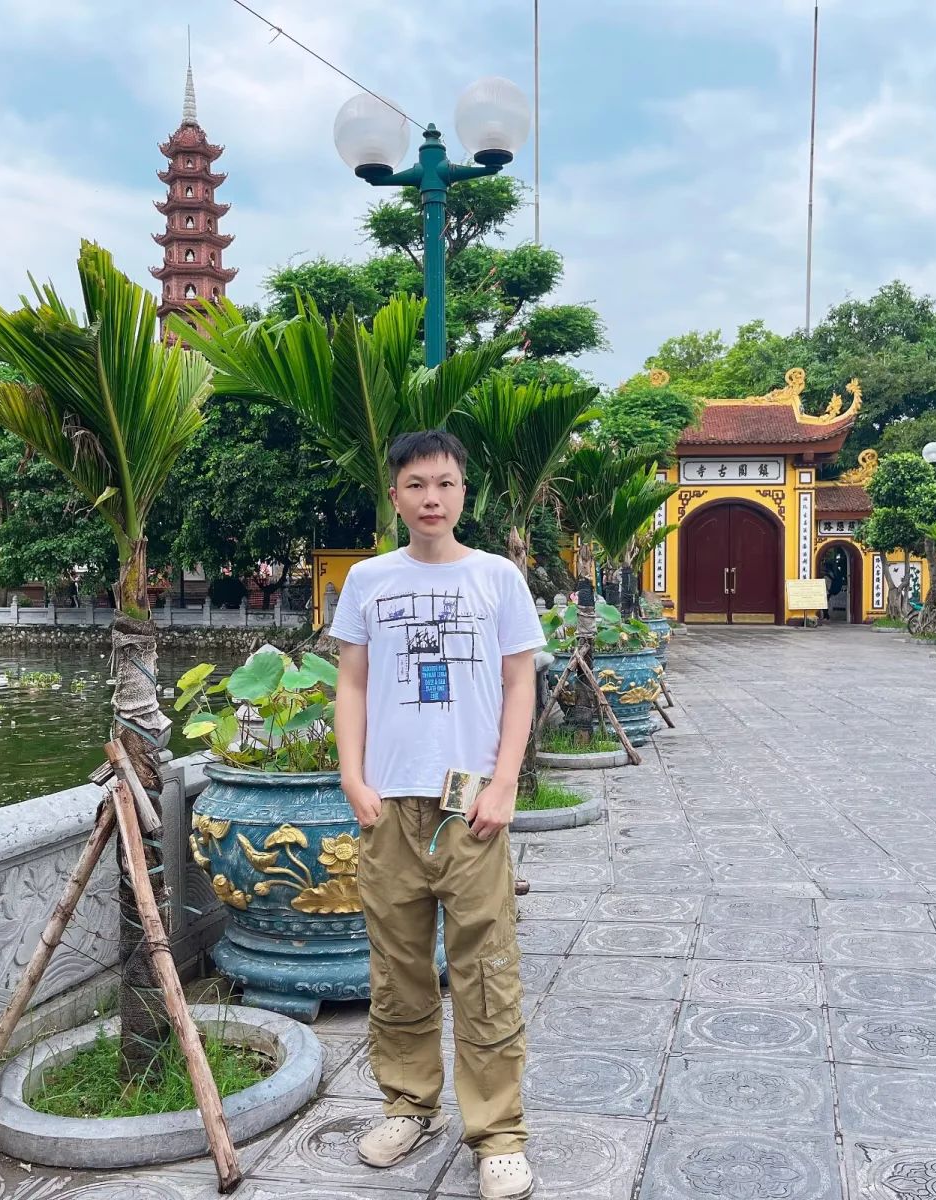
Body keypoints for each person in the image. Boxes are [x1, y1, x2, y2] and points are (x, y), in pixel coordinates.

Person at [330, 429, 543, 1200]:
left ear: (463, 493)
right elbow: (352, 683)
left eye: (445, 484)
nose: (431, 498)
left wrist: (505, 783)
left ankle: (499, 1133)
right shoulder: (368, 580)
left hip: (469, 805)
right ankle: (408, 1105)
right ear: (395, 496)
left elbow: (519, 684)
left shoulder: (497, 578)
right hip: (389, 804)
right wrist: (352, 777)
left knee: (486, 970)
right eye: (416, 485)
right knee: (398, 968)